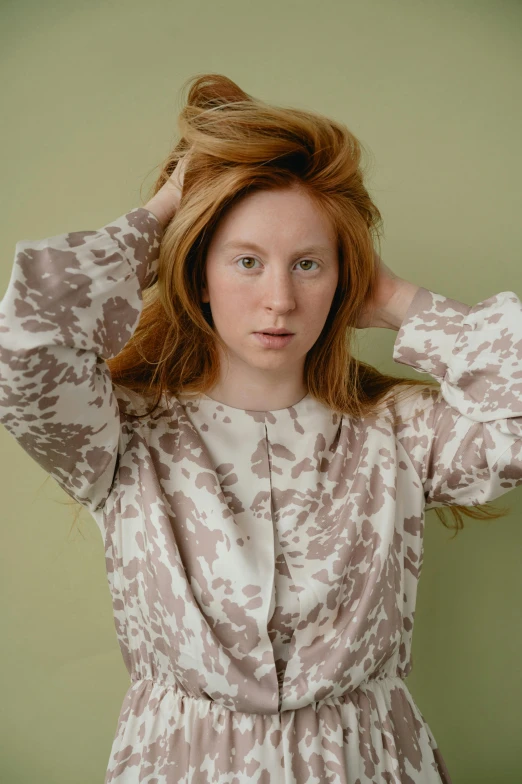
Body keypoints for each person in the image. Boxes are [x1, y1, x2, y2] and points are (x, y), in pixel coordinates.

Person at [1, 73, 521, 783]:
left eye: (309, 265)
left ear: (342, 281)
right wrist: (158, 220)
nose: (279, 299)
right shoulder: (119, 435)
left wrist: (400, 300)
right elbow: (27, 342)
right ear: (198, 273)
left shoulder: (398, 434)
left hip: (369, 764)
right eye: (246, 261)